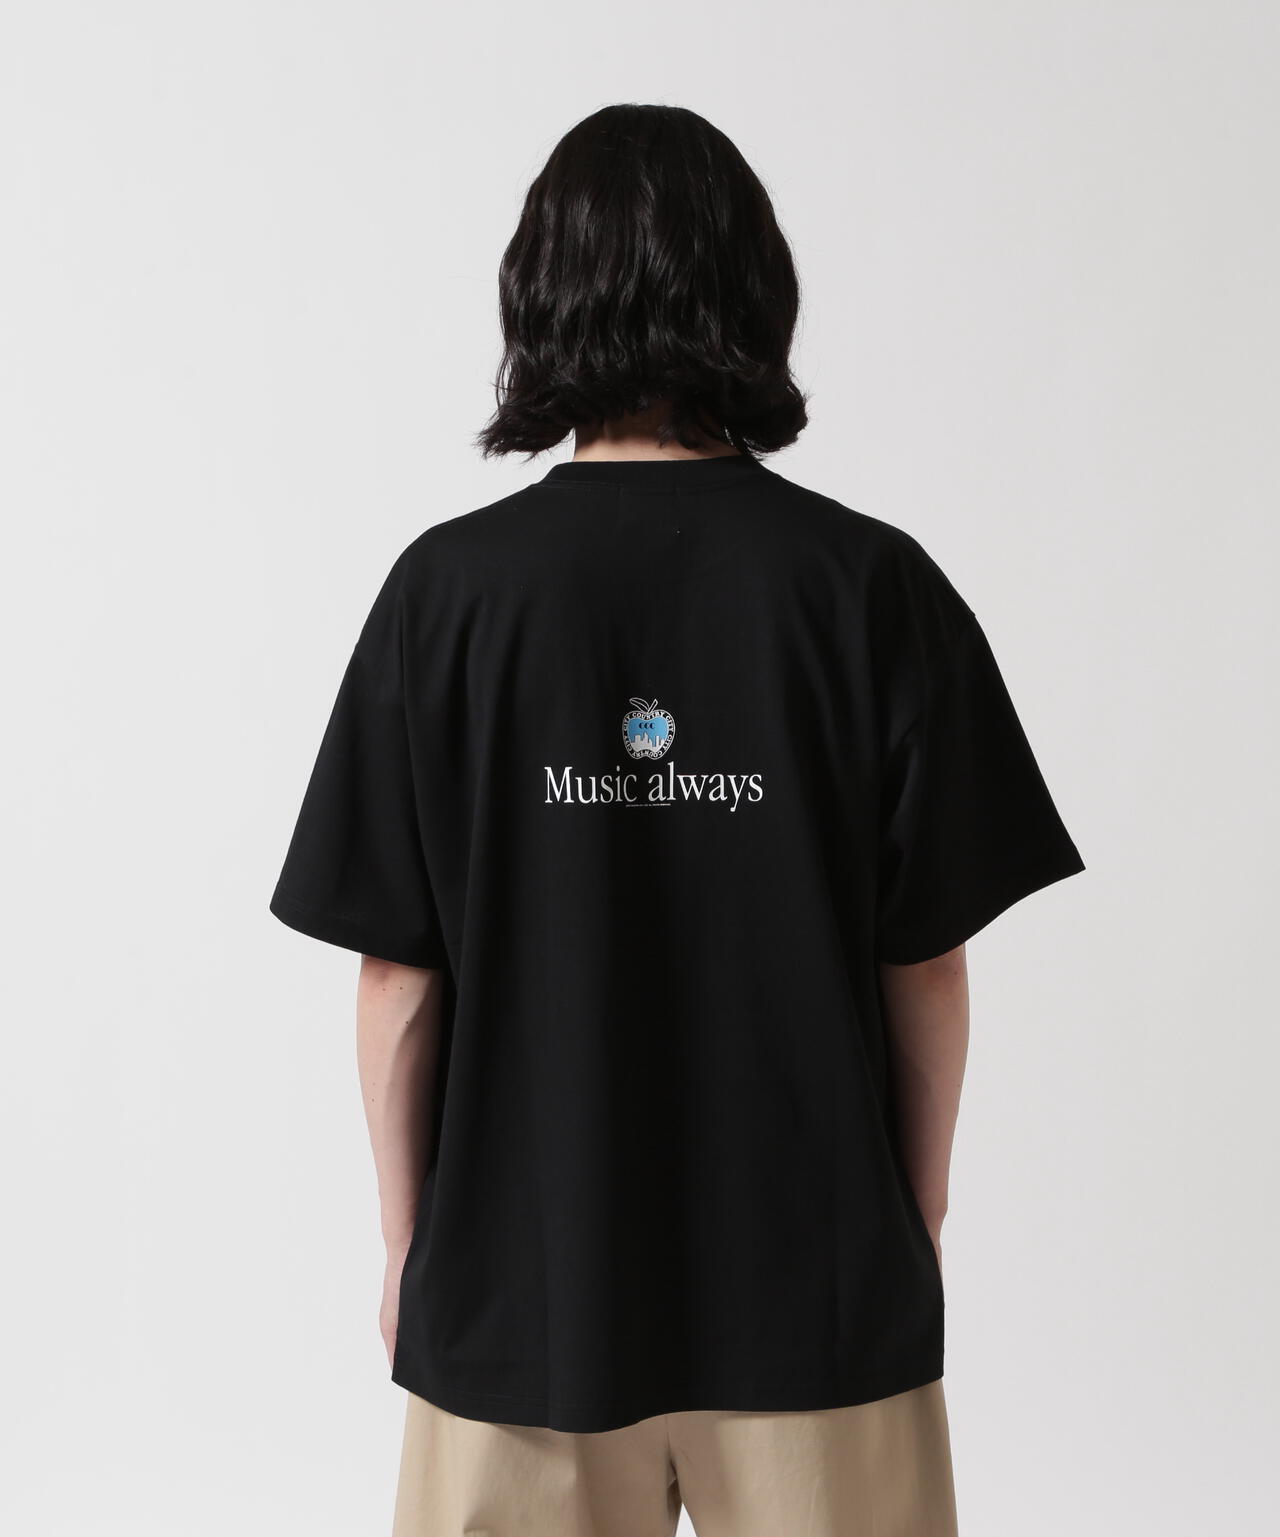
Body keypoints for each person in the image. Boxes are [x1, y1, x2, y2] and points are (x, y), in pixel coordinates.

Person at [270, 103, 1085, 1537]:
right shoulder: (868, 589)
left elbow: (398, 977)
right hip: (817, 1299)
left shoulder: (444, 599)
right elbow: (928, 963)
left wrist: (412, 1247)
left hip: (519, 1308)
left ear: (539, 298)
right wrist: (913, 1221)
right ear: (756, 294)